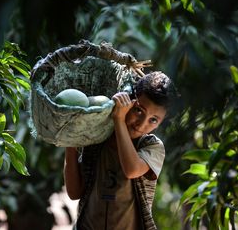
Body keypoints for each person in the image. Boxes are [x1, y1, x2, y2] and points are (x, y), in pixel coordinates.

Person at [64, 71, 176, 230]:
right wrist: (70, 141)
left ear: (160, 124)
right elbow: (75, 192)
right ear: (129, 102)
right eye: (139, 110)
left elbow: (131, 170)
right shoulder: (98, 139)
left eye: (153, 120)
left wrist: (119, 119)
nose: (141, 124)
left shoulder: (152, 147)